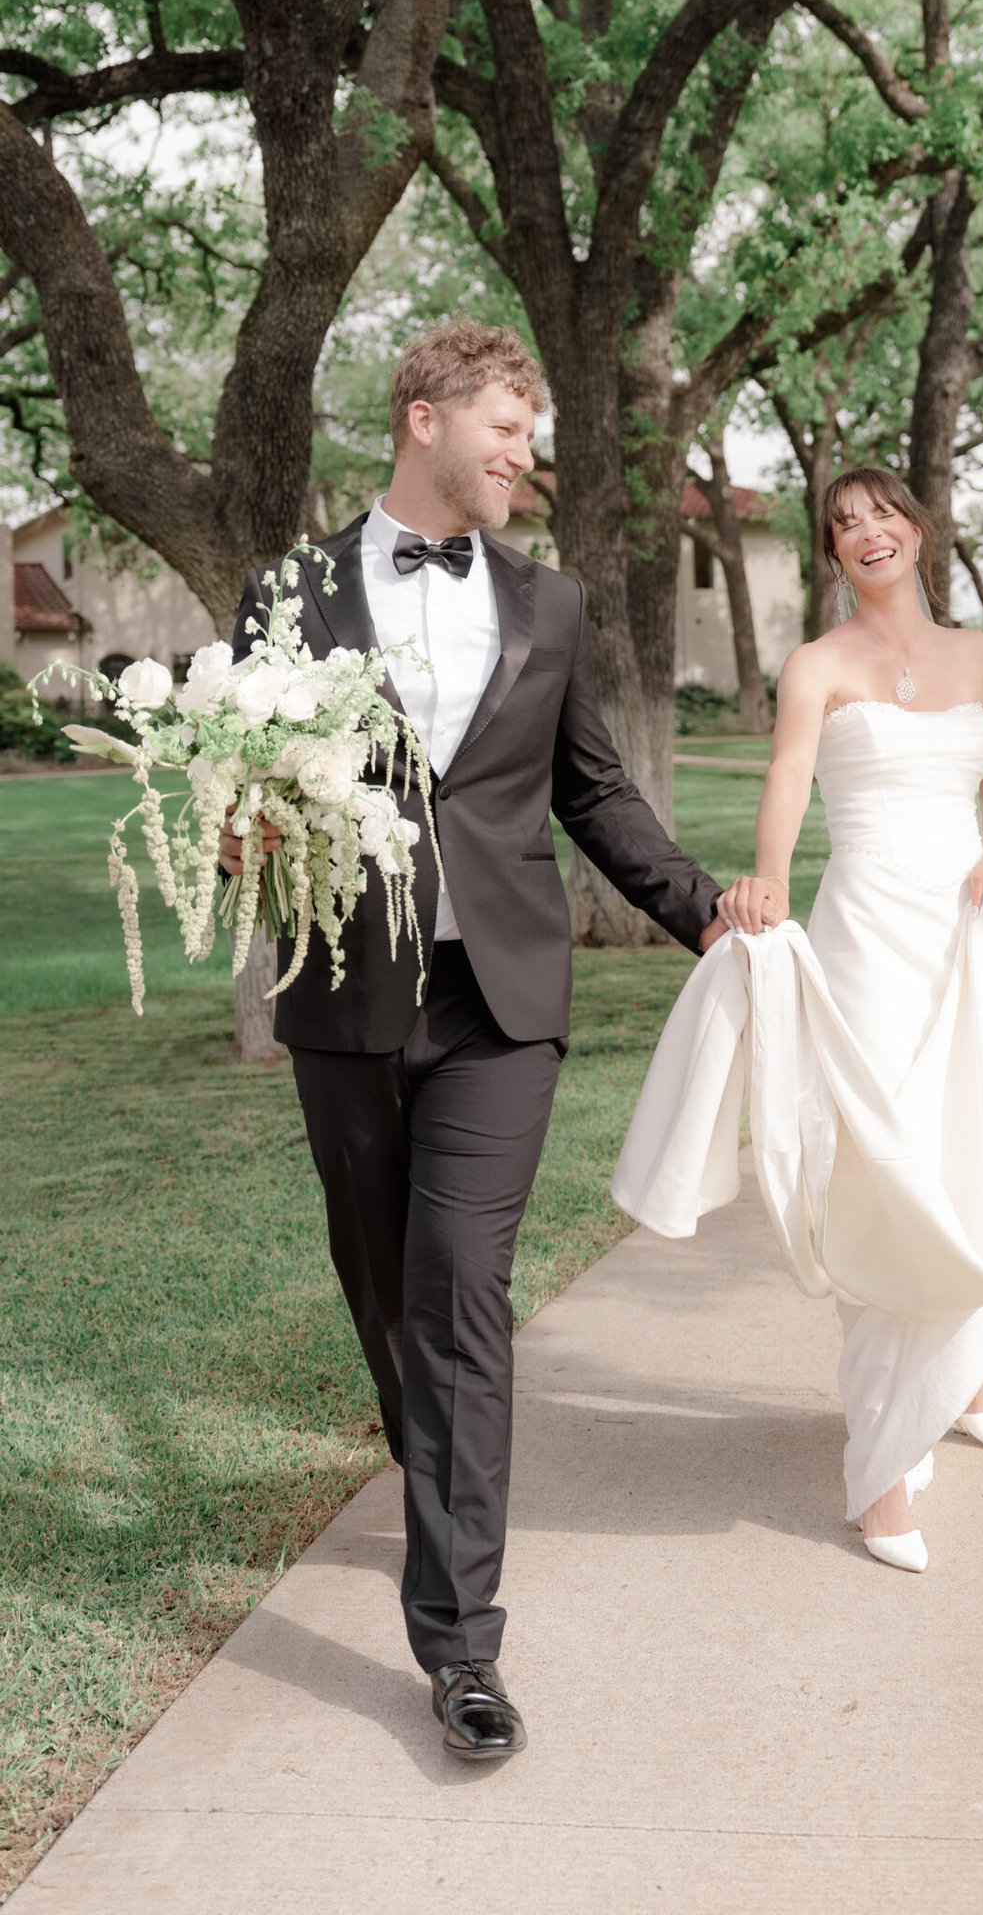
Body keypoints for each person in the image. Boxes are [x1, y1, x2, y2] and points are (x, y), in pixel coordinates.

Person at [222, 322, 728, 1757]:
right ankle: (432, 1463)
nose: (524, 455)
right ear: (425, 417)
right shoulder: (293, 592)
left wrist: (708, 914)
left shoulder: (551, 607)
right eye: (508, 427)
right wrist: (235, 832)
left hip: (501, 1002)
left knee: (460, 1295)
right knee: (386, 1292)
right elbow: (239, 785)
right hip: (347, 1000)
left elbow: (596, 795)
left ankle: (462, 1648)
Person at [613, 468, 983, 1572]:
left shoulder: (977, 657)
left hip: (967, 938)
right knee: (883, 1168)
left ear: (916, 530)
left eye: (881, 516)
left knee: (978, 1151)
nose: (865, 533)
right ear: (832, 555)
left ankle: (963, 1372)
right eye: (842, 527)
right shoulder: (815, 667)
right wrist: (767, 878)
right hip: (867, 938)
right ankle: (879, 1466)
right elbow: (786, 774)